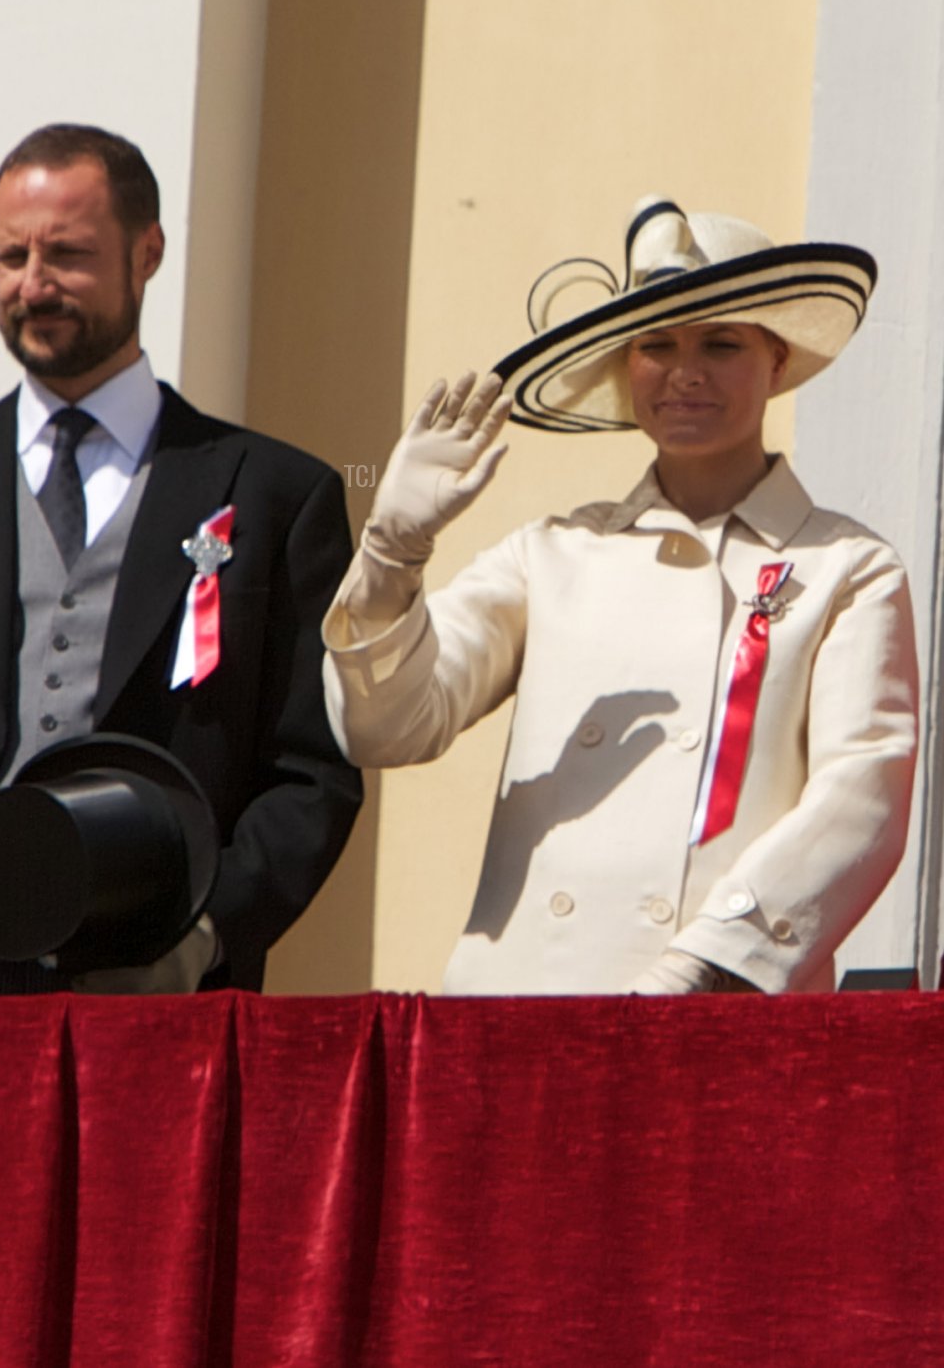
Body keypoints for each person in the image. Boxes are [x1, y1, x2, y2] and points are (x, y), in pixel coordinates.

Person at [0, 123, 362, 996]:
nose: (33, 285)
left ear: (147, 252)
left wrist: (203, 937)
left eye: (68, 255)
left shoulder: (278, 492)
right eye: (11, 257)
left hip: (164, 991)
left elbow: (311, 777)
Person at [323, 196, 918, 995]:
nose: (686, 372)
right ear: (624, 367)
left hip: (720, 1019)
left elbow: (860, 801)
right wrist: (393, 552)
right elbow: (388, 726)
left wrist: (696, 975)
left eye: (721, 343)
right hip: (523, 1015)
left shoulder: (848, 567)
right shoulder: (551, 555)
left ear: (776, 361)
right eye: (656, 344)